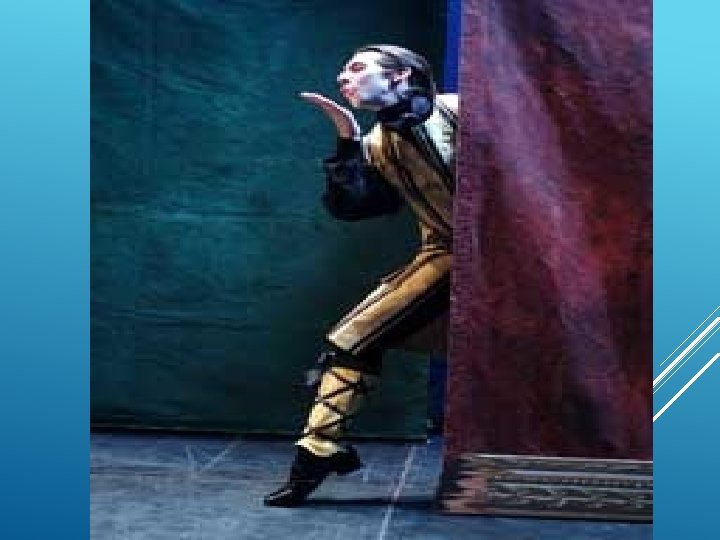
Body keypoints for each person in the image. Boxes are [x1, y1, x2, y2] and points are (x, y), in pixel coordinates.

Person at [264, 44, 458, 507]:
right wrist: (348, 140)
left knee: (355, 338)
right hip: (446, 253)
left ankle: (317, 453)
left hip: (506, 256)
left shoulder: (456, 110)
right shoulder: (377, 144)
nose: (342, 77)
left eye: (356, 68)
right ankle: (317, 452)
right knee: (353, 339)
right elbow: (355, 207)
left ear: (400, 75)